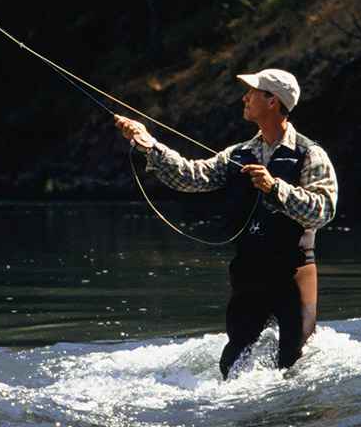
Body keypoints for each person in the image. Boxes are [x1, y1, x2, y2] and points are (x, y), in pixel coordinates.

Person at [115, 68, 338, 378]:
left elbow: (324, 211)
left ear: (272, 101)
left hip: (294, 272)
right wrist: (148, 144)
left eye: (252, 92)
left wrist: (276, 188)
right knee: (231, 366)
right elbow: (191, 176)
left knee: (295, 362)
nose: (244, 97)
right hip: (249, 271)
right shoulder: (239, 153)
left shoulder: (310, 155)